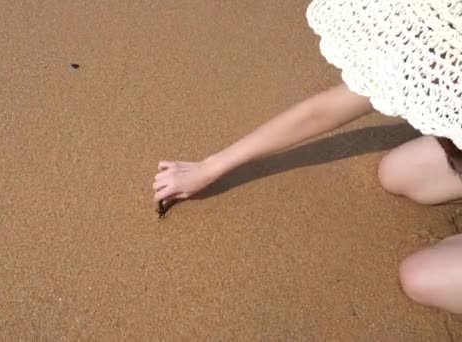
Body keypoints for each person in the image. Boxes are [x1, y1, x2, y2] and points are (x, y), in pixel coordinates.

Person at [152, 0, 462, 316]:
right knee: (398, 173)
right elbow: (320, 113)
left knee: (420, 277)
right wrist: (210, 167)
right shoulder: (432, 60)